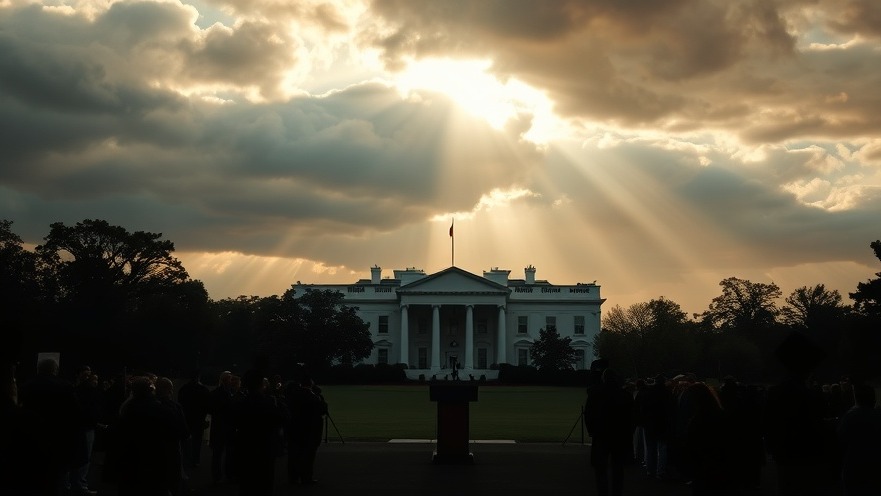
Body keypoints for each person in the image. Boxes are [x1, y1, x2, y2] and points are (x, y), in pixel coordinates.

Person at [103, 376, 188, 496]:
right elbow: (180, 432)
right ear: (152, 390)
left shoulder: (126, 410)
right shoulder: (163, 409)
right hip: (156, 465)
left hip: (130, 467)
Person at [18, 358, 83, 496]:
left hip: (31, 439)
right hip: (57, 441)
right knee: (54, 481)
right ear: (55, 370)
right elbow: (75, 415)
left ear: (38, 369)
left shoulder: (26, 386)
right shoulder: (65, 386)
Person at [232, 370, 288, 496]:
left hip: (246, 448)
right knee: (265, 483)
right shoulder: (269, 403)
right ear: (261, 385)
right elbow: (284, 418)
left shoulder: (240, 403)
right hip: (266, 449)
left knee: (247, 484)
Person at [584, 368, 634, 496]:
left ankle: (603, 493)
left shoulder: (595, 393)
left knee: (600, 468)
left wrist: (591, 430)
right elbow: (632, 417)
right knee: (618, 468)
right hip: (619, 436)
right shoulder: (625, 395)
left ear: (603, 378)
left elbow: (588, 414)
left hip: (601, 434)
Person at [837, 382, 881, 496]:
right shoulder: (877, 415)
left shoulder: (850, 416)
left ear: (856, 398)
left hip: (854, 466)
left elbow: (841, 439)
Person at [285, 370, 328, 485]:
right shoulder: (314, 396)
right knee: (308, 456)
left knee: (294, 455)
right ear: (310, 383)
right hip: (310, 432)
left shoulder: (294, 395)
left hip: (295, 430)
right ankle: (306, 477)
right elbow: (322, 410)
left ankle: (293, 478)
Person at [178, 371, 211, 468]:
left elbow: (180, 403)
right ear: (199, 377)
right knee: (197, 442)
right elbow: (207, 406)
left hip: (187, 418)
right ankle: (195, 460)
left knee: (186, 441)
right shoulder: (203, 389)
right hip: (199, 419)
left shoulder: (184, 389)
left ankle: (186, 459)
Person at [209, 370, 236, 484]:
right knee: (223, 453)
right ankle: (224, 475)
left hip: (220, 426)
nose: (232, 381)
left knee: (218, 454)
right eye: (230, 379)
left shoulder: (216, 393)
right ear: (226, 380)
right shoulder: (229, 393)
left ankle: (218, 476)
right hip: (225, 427)